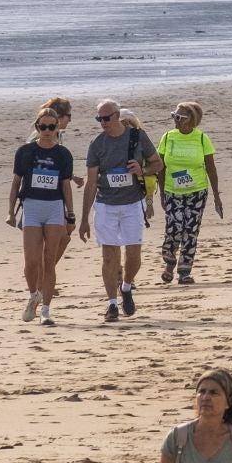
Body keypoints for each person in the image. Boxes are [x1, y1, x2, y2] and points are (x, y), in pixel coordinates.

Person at [80, 99, 161, 323]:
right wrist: (84, 218)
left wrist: (141, 169)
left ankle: (126, 287)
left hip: (133, 203)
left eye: (106, 118)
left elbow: (158, 164)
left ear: (117, 116)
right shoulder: (97, 143)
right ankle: (112, 304)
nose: (102, 122)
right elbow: (91, 182)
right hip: (106, 204)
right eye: (99, 119)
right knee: (109, 256)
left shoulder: (137, 137)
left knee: (134, 255)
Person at [10, 109, 76, 325]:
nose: (47, 131)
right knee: (31, 261)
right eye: (43, 127)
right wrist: (10, 211)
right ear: (37, 128)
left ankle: (46, 310)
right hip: (32, 207)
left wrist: (71, 214)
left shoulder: (63, 154)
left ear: (57, 128)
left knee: (49, 261)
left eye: (51, 127)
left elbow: (66, 186)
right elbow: (16, 182)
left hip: (55, 207)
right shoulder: (25, 151)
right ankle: (33, 295)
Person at [156, 102, 222, 286]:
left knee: (190, 231)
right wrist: (161, 193)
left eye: (179, 117)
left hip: (197, 192)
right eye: (173, 115)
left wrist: (217, 196)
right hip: (172, 191)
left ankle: (184, 271)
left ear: (192, 120)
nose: (175, 120)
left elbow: (211, 168)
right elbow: (160, 168)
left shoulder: (202, 139)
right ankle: (169, 264)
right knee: (174, 228)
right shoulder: (168, 137)